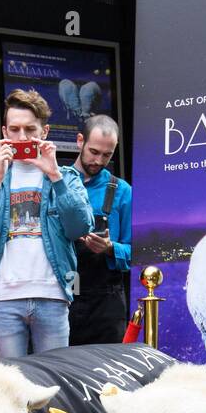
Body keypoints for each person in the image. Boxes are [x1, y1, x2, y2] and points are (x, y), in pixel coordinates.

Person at [0, 89, 93, 358]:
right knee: (13, 386)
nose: (22, 137)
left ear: (44, 132)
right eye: (14, 129)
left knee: (56, 381)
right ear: (4, 131)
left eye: (30, 129)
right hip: (3, 296)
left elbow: (80, 228)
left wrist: (55, 176)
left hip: (53, 293)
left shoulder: (67, 177)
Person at [70, 115, 133, 345]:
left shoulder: (122, 191)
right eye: (94, 152)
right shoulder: (58, 182)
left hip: (107, 302)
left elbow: (135, 253)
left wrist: (110, 248)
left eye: (107, 155)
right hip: (64, 296)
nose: (99, 160)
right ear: (80, 141)